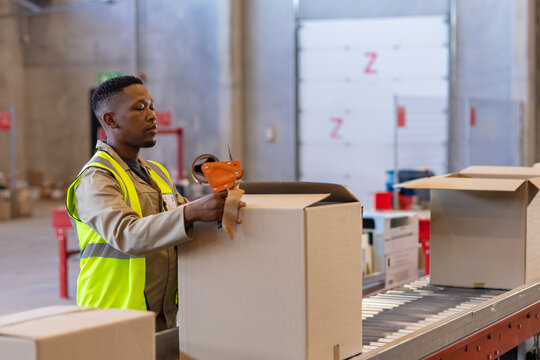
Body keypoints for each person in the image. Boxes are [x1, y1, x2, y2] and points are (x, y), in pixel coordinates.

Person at [66, 75, 244, 331]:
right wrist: (193, 211)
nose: (152, 115)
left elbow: (185, 222)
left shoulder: (157, 173)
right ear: (110, 120)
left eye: (152, 106)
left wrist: (219, 208)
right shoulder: (96, 178)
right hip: (112, 318)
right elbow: (126, 235)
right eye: (140, 108)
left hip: (161, 318)